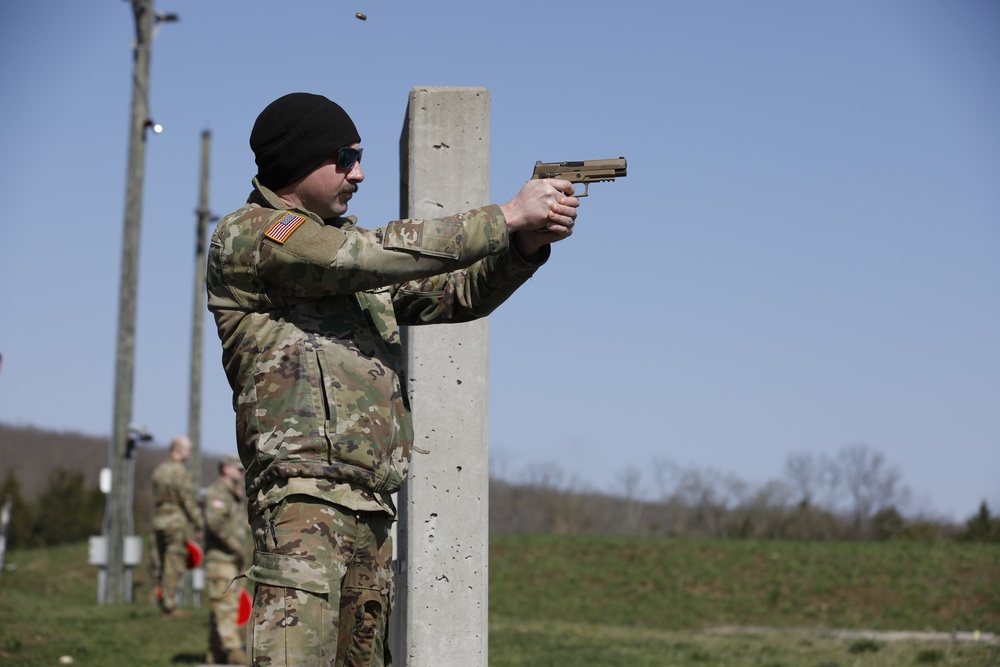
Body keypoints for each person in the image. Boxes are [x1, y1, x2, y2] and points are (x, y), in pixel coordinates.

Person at [206, 92, 579, 666]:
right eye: (343, 156)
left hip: (370, 509)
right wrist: (504, 217)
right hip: (303, 502)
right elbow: (362, 257)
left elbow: (455, 296)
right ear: (299, 161)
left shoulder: (345, 250)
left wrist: (524, 246)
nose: (358, 172)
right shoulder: (254, 236)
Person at [204, 454, 250, 665]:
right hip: (220, 559)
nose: (242, 474)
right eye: (239, 470)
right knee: (224, 606)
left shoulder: (234, 494)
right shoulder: (218, 492)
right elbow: (216, 524)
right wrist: (236, 546)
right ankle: (232, 651)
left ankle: (216, 652)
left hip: (233, 560)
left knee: (223, 608)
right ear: (226, 469)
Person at [150, 435, 201, 617]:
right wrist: (199, 523)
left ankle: (158, 599)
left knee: (159, 563)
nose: (190, 453)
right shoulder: (180, 472)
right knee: (174, 564)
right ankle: (169, 606)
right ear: (178, 449)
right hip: (176, 522)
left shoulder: (159, 471)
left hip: (158, 521)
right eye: (188, 449)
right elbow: (187, 501)